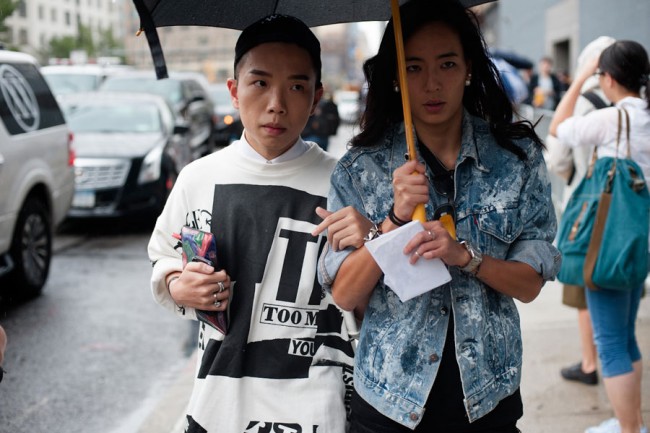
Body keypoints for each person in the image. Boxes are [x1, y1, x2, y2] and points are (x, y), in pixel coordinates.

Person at [312, 0, 560, 431]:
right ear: (395, 77)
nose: (431, 84)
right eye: (413, 68)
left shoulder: (515, 159)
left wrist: (465, 257)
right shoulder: (361, 168)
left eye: (447, 64)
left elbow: (530, 285)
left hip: (488, 399)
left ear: (468, 69)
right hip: (389, 404)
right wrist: (392, 221)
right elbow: (346, 295)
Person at [147, 14, 355, 432]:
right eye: (260, 83)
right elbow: (163, 257)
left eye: (296, 87)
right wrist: (177, 284)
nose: (276, 103)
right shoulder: (198, 177)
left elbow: (365, 298)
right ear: (234, 91)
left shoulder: (345, 182)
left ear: (317, 97)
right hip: (218, 399)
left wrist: (373, 234)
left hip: (315, 401)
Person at [549, 40, 650, 433]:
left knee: (610, 344)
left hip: (607, 243)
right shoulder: (644, 115)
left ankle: (629, 429)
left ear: (607, 78)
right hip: (637, 241)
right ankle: (632, 423)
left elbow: (558, 127)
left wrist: (578, 80)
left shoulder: (613, 119)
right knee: (625, 337)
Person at [546, 36, 616, 387]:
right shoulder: (632, 102)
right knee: (616, 284)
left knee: (584, 289)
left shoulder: (583, 101)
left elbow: (558, 154)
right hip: (624, 208)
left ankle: (591, 362)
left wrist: (572, 176)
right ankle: (612, 354)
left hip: (586, 205)